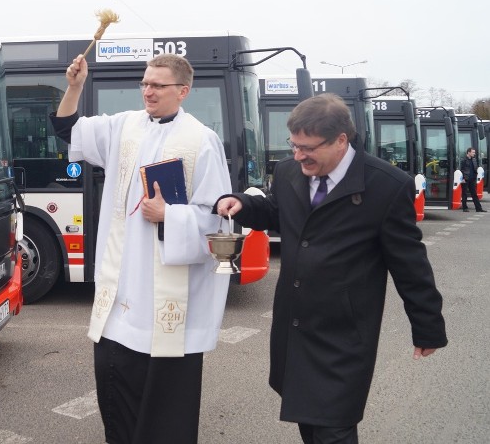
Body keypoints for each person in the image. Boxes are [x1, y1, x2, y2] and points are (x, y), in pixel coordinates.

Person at [214, 93, 448, 444]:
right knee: (310, 420)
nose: (298, 155)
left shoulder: (385, 185)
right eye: (293, 145)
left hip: (343, 332)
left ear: (341, 141)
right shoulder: (290, 170)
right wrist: (243, 204)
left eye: (307, 147)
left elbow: (410, 264)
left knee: (333, 426)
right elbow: (277, 211)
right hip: (295, 324)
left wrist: (427, 325)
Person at [49, 53, 231, 444]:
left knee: (164, 410)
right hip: (121, 293)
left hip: (167, 300)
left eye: (158, 85)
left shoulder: (201, 140)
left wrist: (170, 215)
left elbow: (218, 218)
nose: (148, 91)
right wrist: (75, 86)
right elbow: (66, 127)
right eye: (145, 83)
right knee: (116, 393)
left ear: (183, 91)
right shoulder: (124, 127)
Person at [459, 146, 485, 212]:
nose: (474, 153)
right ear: (469, 152)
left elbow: (476, 168)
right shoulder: (463, 160)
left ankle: (479, 208)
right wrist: (463, 178)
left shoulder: (474, 160)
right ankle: (465, 208)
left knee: (474, 194)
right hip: (466, 179)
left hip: (472, 179)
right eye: (473, 152)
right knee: (464, 194)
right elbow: (461, 170)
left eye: (474, 152)